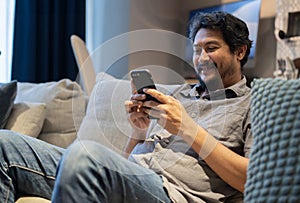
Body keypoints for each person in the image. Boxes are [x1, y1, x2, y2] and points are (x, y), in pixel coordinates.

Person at [0, 11, 252, 203]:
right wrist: (138, 133)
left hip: (171, 194)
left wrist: (188, 129)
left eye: (211, 48)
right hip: (133, 178)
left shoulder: (253, 103)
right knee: (5, 144)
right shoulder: (177, 95)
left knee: (84, 155)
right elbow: (124, 164)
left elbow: (251, 179)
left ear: (239, 52)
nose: (201, 59)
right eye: (197, 50)